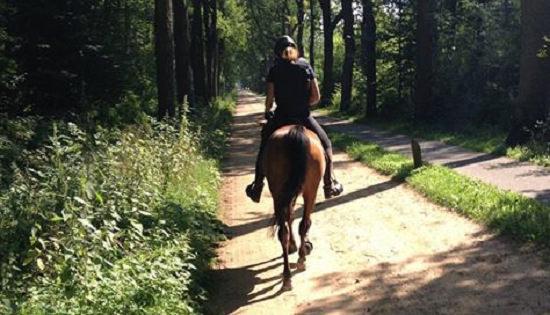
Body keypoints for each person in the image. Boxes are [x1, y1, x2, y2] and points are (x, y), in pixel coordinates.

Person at [245, 35, 344, 203]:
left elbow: (269, 99)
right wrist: (302, 104)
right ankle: (329, 184)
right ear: (295, 49)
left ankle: (257, 185)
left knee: (264, 144)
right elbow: (316, 97)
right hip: (303, 117)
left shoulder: (274, 69)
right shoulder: (305, 66)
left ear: (277, 53)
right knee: (326, 143)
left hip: (281, 116)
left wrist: (268, 111)